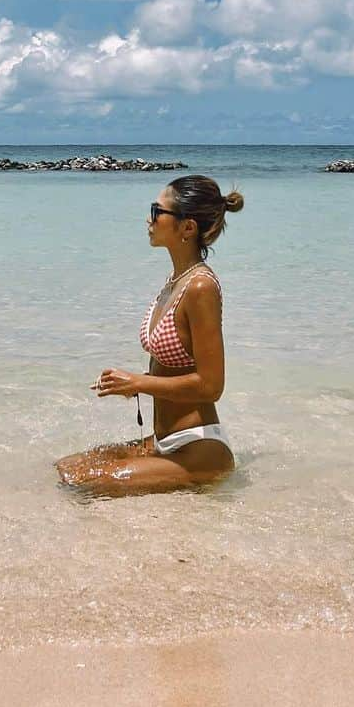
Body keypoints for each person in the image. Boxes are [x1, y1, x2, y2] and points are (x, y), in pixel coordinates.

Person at [55, 175, 243, 497]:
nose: (149, 218)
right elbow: (173, 368)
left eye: (157, 211)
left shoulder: (200, 287)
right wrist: (130, 383)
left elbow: (212, 386)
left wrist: (139, 383)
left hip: (198, 448)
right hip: (162, 441)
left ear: (187, 228)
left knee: (82, 486)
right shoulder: (175, 281)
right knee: (67, 469)